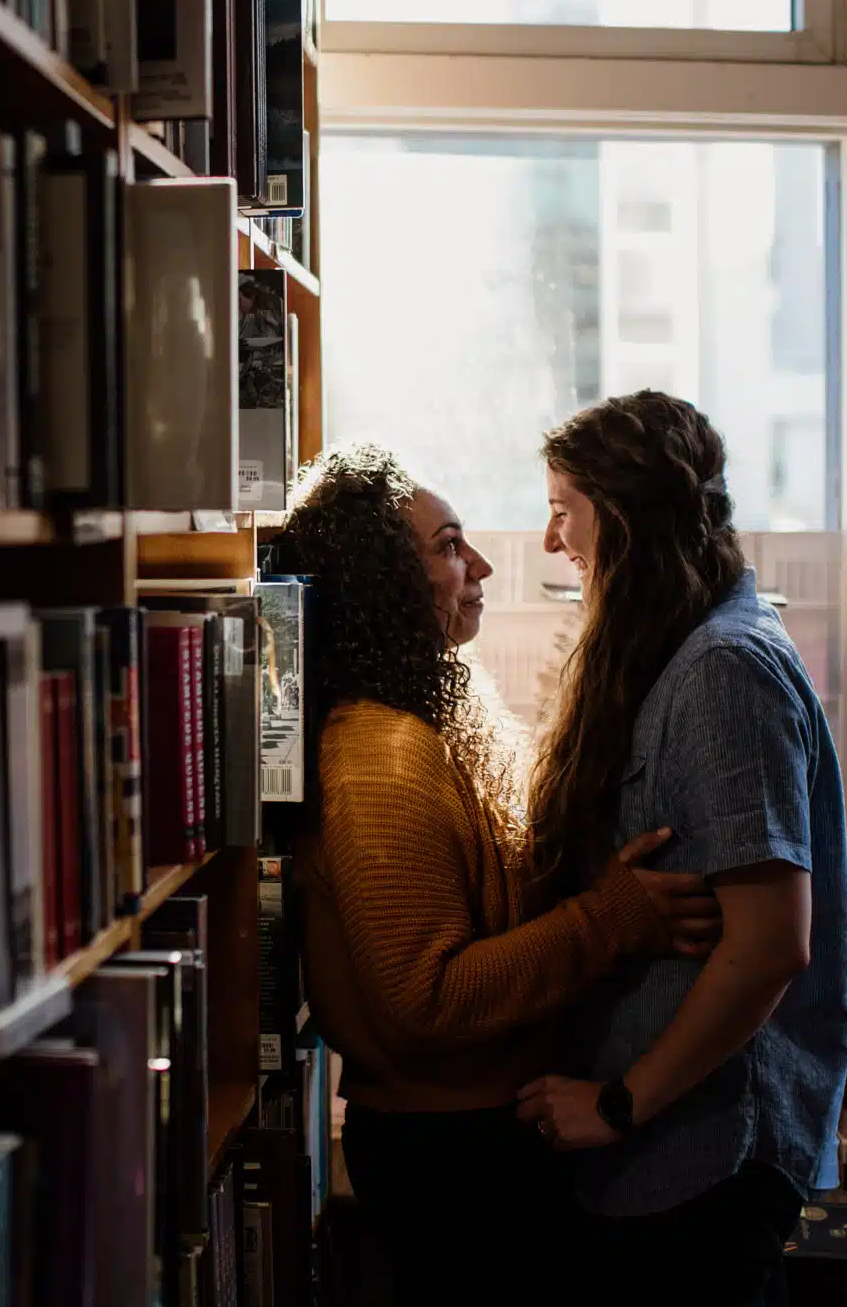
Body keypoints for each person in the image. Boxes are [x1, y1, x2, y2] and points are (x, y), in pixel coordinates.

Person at [274, 444, 721, 1306]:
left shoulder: (432, 701)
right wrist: (612, 918)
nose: (477, 566)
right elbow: (426, 999)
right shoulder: (380, 755)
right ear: (381, 585)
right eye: (448, 547)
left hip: (481, 1135)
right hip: (451, 1157)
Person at [514, 393, 847, 1307]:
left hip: (702, 1165)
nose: (553, 540)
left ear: (619, 516)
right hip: (666, 1167)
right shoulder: (681, 656)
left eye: (561, 508)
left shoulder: (722, 670)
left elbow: (772, 941)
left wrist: (618, 1100)